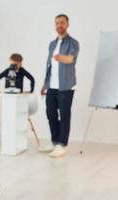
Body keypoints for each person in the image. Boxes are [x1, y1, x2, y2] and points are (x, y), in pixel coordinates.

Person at [40, 14, 80, 158]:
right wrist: (45, 84)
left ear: (67, 24)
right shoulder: (52, 44)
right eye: (57, 23)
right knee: (50, 114)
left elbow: (71, 59)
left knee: (64, 116)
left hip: (66, 86)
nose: (59, 25)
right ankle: (54, 141)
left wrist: (60, 57)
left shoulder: (73, 43)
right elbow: (49, 65)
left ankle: (61, 145)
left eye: (62, 23)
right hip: (52, 85)